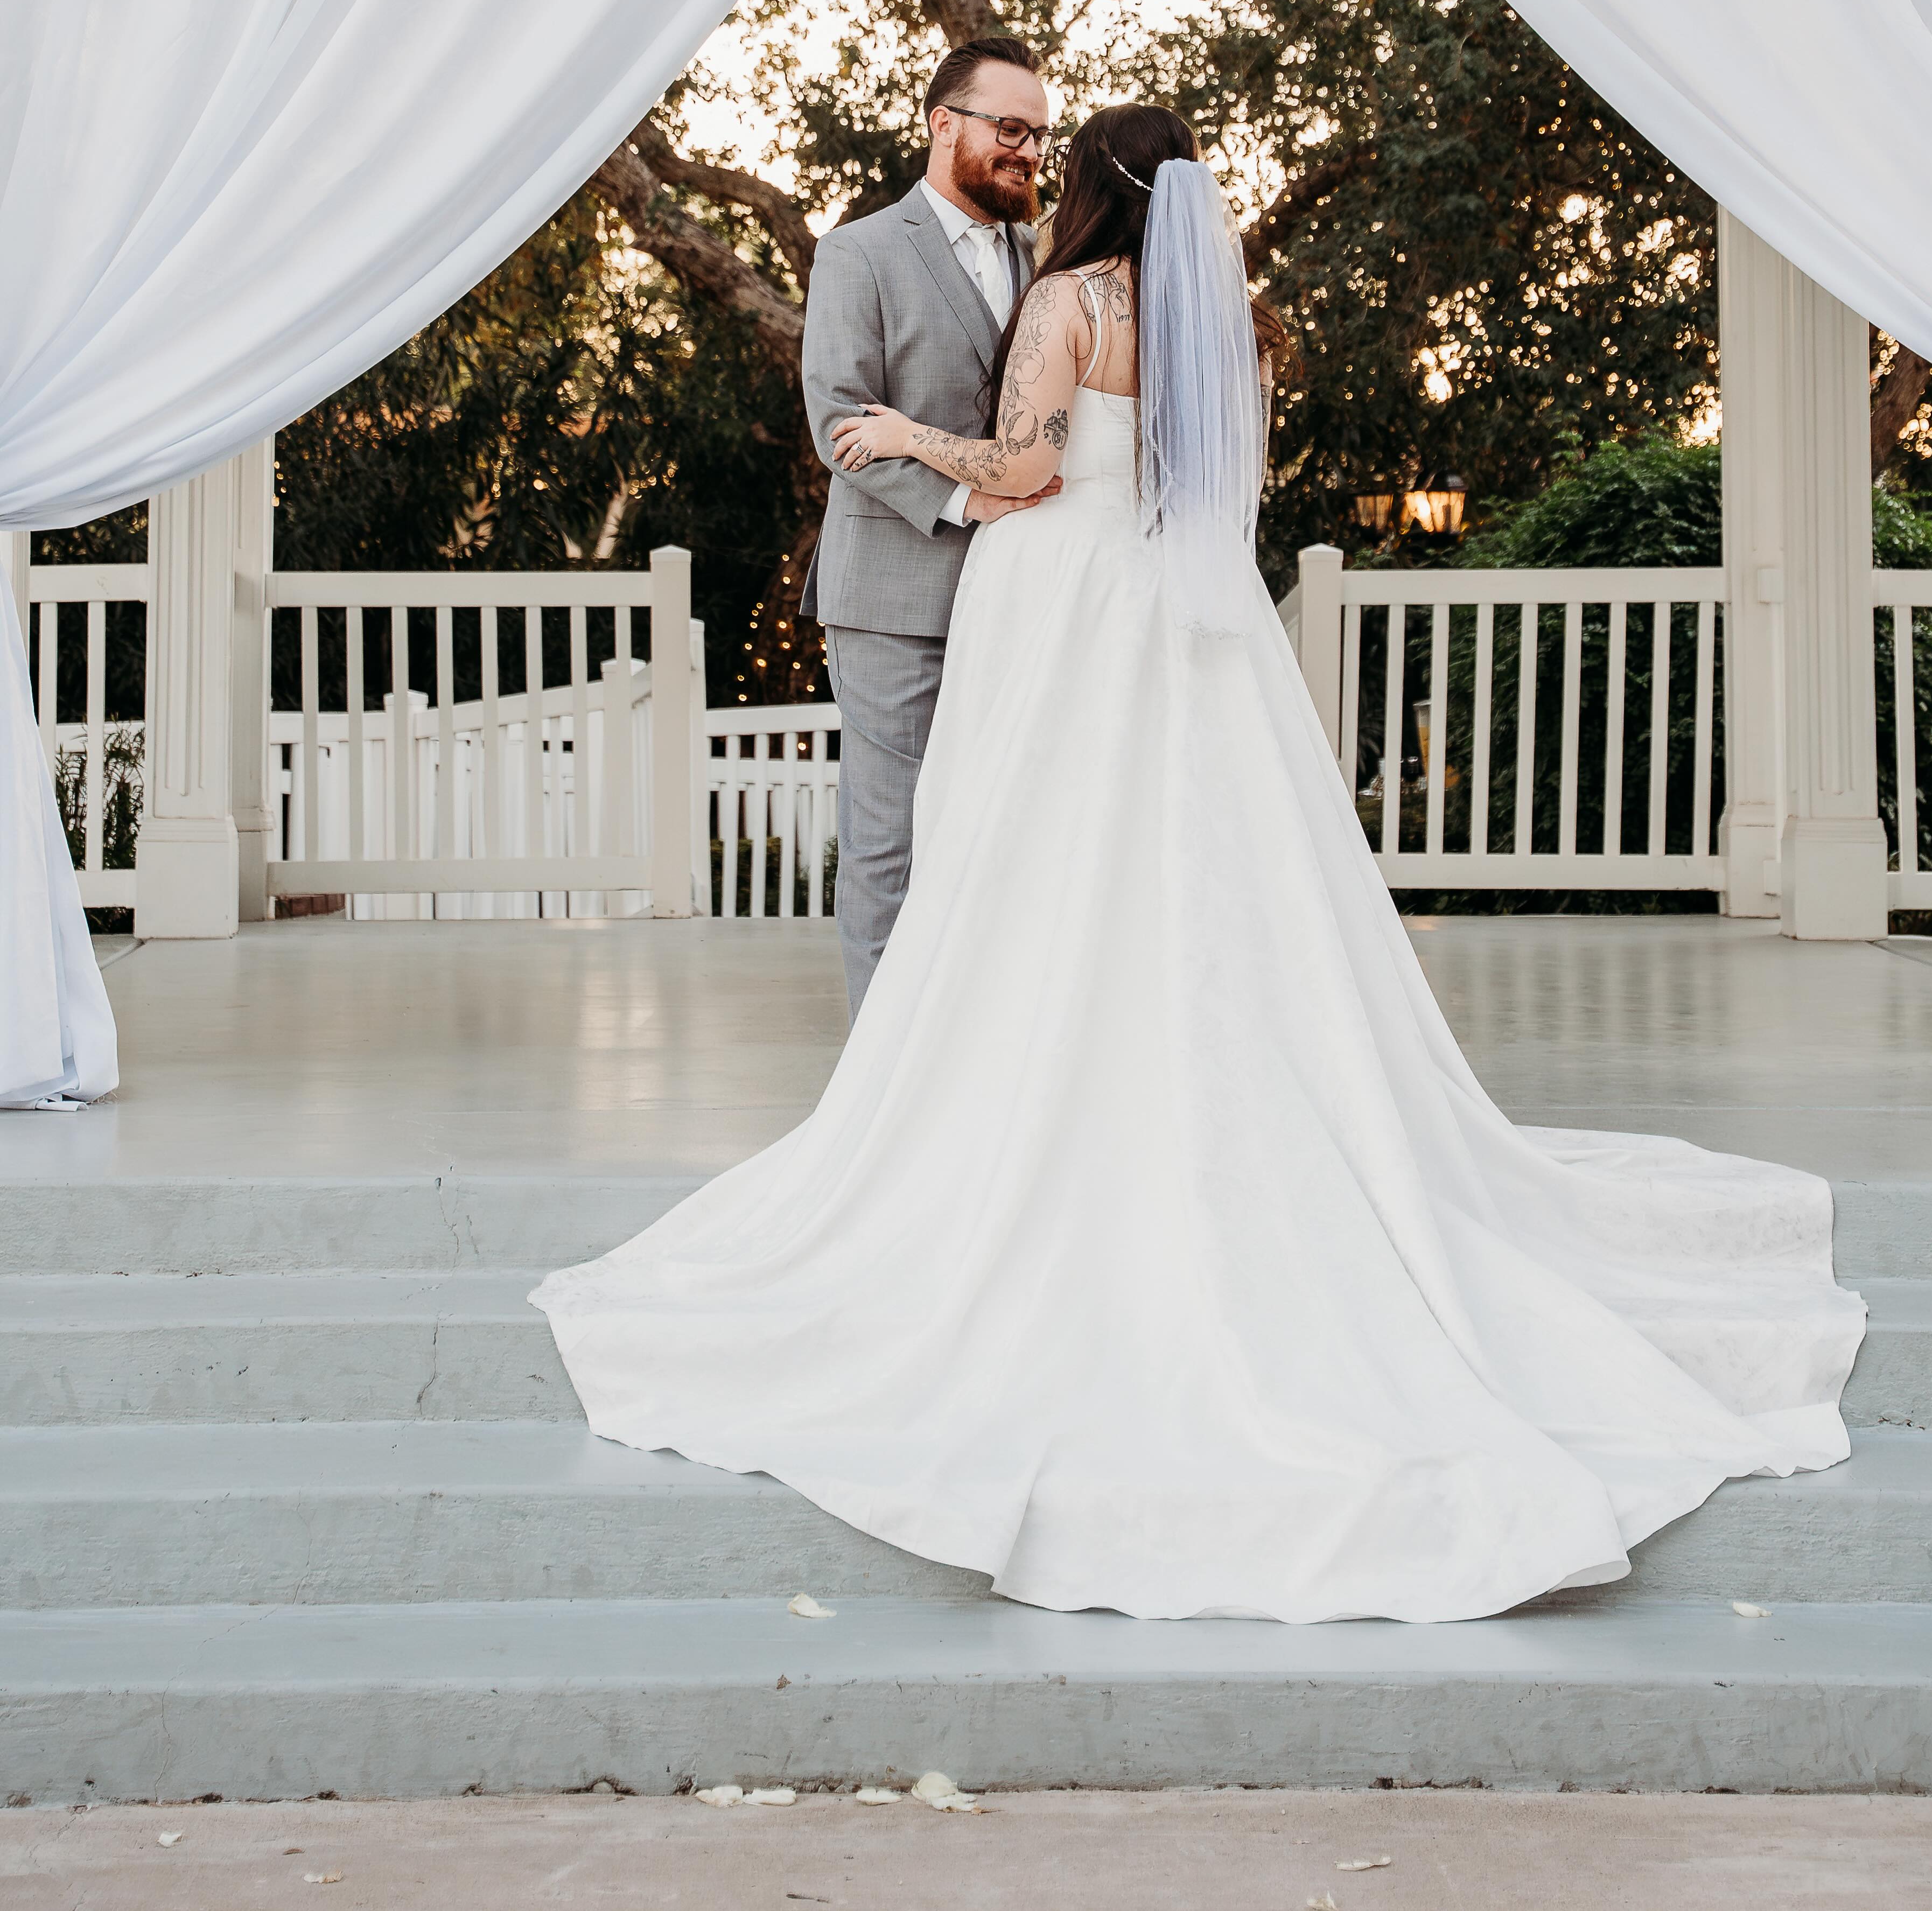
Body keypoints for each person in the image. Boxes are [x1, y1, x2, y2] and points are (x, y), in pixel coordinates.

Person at [535, 104, 1865, 1625]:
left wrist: (906, 436)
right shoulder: (1229, 323)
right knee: (1208, 880)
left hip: (1066, 608)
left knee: (1038, 871)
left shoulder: (1068, 300)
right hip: (1188, 613)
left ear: (1094, 189)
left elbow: (1026, 470)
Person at [799, 34, 1051, 1014]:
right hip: (893, 596)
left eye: (1039, 134)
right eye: (1009, 127)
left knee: (999, 837)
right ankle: (878, 1089)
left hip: (1022, 597)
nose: (1027, 150)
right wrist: (965, 499)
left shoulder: (1046, 256)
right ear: (943, 123)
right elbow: (839, 417)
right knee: (889, 843)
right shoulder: (857, 251)